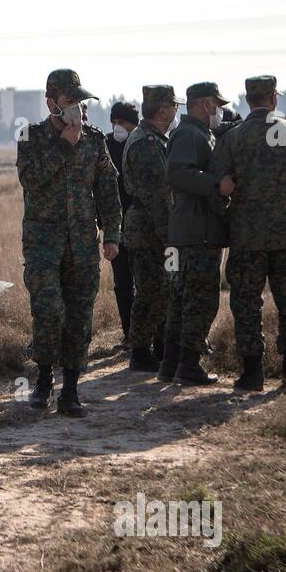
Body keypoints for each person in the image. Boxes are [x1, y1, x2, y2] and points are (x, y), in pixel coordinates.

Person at [210, 75, 286, 391]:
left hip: (246, 240)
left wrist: (227, 226)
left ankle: (252, 373)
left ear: (249, 100)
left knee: (247, 305)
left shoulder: (232, 139)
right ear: (274, 98)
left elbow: (217, 190)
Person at [16, 69, 122, 417]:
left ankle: (71, 389)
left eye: (81, 101)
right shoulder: (30, 137)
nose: (78, 108)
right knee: (48, 312)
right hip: (42, 244)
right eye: (70, 102)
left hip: (82, 245)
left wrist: (112, 235)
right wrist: (64, 145)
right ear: (51, 104)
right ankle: (44, 379)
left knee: (79, 316)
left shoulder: (94, 140)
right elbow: (31, 180)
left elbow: (107, 189)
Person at [163, 82, 236, 385]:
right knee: (201, 299)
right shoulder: (190, 134)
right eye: (216, 104)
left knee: (182, 299)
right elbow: (178, 174)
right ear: (204, 104)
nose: (218, 110)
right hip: (197, 233)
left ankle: (171, 364)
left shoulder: (198, 134)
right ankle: (189, 365)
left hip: (193, 232)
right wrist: (216, 185)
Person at [120, 85, 181, 372]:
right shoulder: (146, 143)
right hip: (149, 230)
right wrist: (170, 236)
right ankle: (141, 350)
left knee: (160, 289)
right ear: (162, 110)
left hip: (151, 227)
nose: (176, 110)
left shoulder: (155, 139)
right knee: (151, 290)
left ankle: (154, 345)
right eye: (173, 105)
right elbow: (157, 196)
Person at [106, 101, 139, 351]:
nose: (118, 127)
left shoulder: (141, 143)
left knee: (144, 281)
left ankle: (144, 335)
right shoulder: (104, 146)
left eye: (123, 123)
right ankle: (129, 333)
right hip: (115, 226)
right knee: (122, 282)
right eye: (114, 122)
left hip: (140, 225)